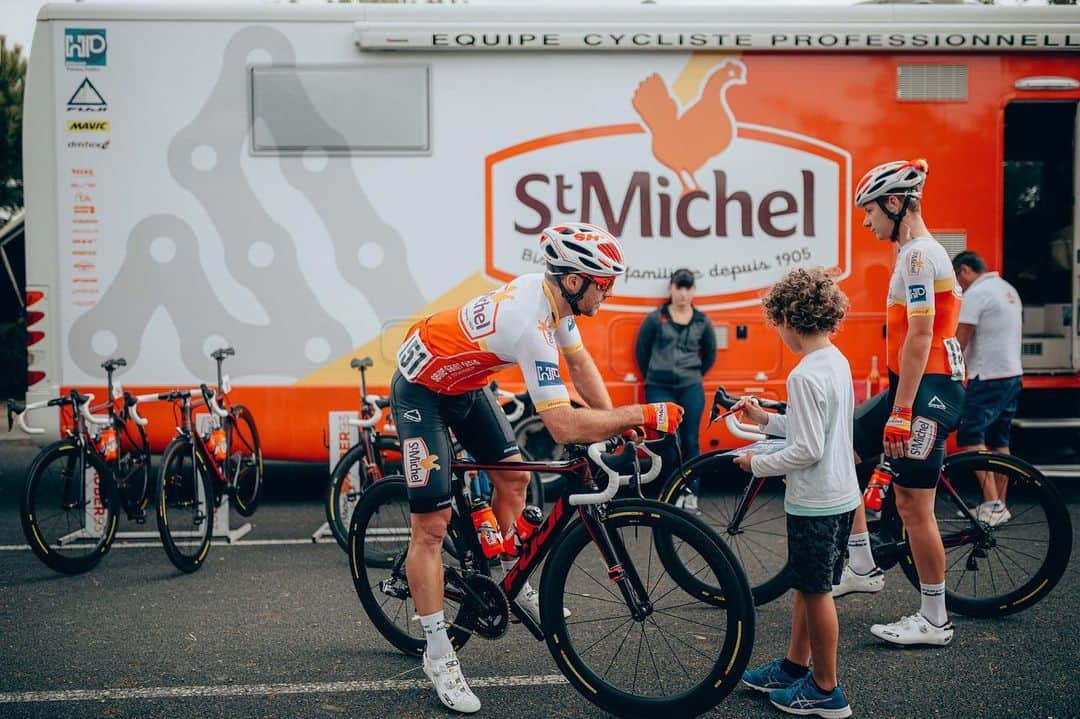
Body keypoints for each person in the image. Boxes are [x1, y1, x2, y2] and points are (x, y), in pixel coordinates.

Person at [390, 222, 685, 714]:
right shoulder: (529, 320)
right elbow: (563, 426)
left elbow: (581, 362)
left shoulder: (555, 301)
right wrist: (639, 414)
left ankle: (506, 573)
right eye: (604, 283)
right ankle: (438, 652)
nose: (609, 292)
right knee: (431, 528)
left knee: (515, 477)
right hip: (421, 392)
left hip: (465, 385)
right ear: (575, 281)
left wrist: (614, 423)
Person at [837, 159, 966, 647]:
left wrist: (902, 409)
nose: (867, 222)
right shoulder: (913, 254)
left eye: (870, 211)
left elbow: (920, 334)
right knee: (841, 446)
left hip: (926, 392)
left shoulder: (917, 257)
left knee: (914, 506)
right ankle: (861, 561)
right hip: (913, 386)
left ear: (895, 203)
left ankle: (935, 620)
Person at [734, 267, 858, 719]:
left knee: (816, 591)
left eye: (776, 322)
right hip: (842, 496)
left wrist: (755, 463)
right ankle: (793, 667)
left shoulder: (804, 375)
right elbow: (814, 426)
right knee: (811, 587)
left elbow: (806, 449)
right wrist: (766, 420)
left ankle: (826, 689)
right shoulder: (835, 360)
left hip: (815, 501)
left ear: (788, 316)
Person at [634, 267, 717, 510]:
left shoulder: (702, 321)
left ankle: (691, 493)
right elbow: (641, 352)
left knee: (691, 441)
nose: (682, 293)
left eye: (687, 287)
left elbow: (710, 354)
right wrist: (655, 374)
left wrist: (694, 375)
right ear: (670, 289)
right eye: (678, 287)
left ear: (693, 291)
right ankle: (670, 493)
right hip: (659, 388)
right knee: (668, 443)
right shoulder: (655, 318)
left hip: (690, 387)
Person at [952, 250, 1023, 526]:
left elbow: (961, 339)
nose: (960, 286)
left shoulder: (976, 294)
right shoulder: (1007, 289)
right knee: (999, 441)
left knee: (971, 436)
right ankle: (999, 506)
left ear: (965, 270)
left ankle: (992, 504)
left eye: (959, 280)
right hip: (1012, 374)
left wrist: (947, 370)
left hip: (989, 375)